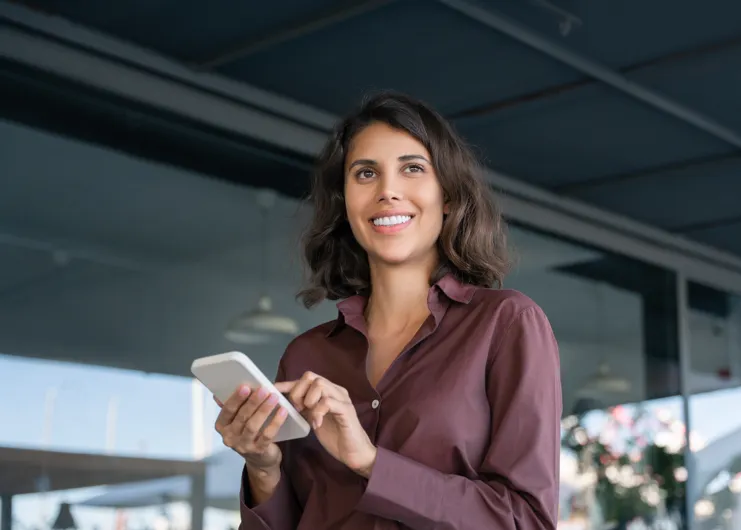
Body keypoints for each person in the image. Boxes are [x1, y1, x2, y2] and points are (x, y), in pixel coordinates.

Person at [213, 92, 562, 529]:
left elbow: (526, 521)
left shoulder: (506, 324)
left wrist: (371, 462)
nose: (387, 191)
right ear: (346, 203)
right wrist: (262, 467)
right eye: (365, 173)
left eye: (412, 168)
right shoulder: (306, 356)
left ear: (448, 195)